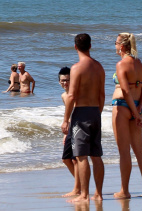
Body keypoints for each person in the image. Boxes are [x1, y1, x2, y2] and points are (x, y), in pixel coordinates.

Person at [62, 33, 106, 203]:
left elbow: (71, 96)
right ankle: (99, 194)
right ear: (90, 46)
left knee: (81, 156)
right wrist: (97, 112)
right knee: (96, 155)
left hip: (81, 114)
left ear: (75, 47)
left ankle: (85, 195)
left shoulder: (77, 68)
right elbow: (102, 95)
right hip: (95, 111)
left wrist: (66, 119)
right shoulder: (99, 67)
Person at [112, 32, 142, 199]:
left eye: (115, 43)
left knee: (124, 151)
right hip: (137, 106)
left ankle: (125, 191)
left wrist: (135, 114)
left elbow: (126, 91)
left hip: (122, 107)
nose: (114, 45)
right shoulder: (139, 64)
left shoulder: (121, 64)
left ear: (122, 46)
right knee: (139, 150)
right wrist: (139, 109)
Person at [58, 66, 81, 198]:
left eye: (68, 80)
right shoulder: (63, 95)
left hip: (78, 127)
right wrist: (66, 133)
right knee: (66, 159)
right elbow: (69, 113)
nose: (65, 83)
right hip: (70, 129)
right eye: (62, 81)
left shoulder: (75, 94)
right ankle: (80, 184)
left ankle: (77, 188)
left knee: (76, 159)